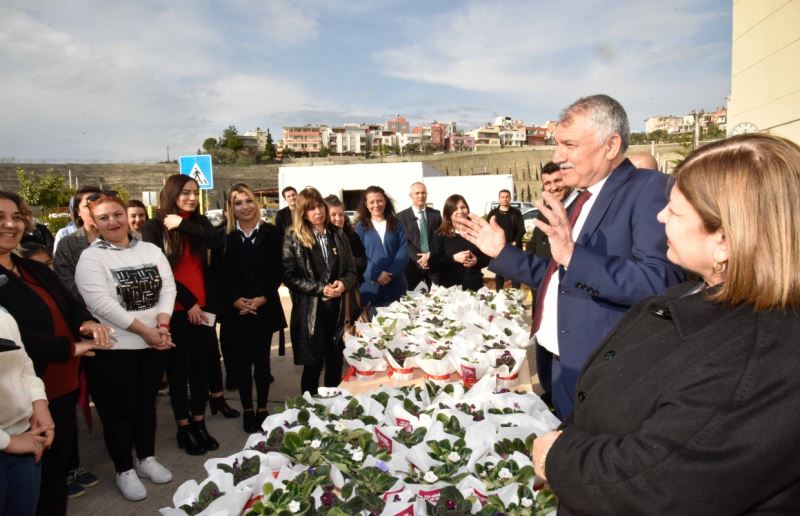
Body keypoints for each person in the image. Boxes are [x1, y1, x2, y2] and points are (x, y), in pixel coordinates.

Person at [532, 134, 800, 515]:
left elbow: (656, 482)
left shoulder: (759, 358)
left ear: (724, 240)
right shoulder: (694, 293)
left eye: (674, 212)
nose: (660, 217)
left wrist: (557, 457)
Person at [458, 94, 684, 418]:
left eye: (569, 145)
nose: (557, 156)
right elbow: (558, 276)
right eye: (557, 144)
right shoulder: (582, 198)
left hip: (604, 376)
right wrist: (501, 252)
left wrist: (574, 257)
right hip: (560, 365)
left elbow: (660, 281)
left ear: (610, 145)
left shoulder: (649, 188)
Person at [0, 191, 112, 516]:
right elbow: (18, 338)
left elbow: (68, 300)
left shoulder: (31, 267)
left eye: (17, 217)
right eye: (0, 217)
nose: (10, 224)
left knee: (54, 473)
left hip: (58, 388)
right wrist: (70, 347)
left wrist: (86, 323)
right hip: (19, 398)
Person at [74, 191, 176, 501]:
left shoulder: (150, 249)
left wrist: (161, 327)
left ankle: (146, 459)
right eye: (103, 217)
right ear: (93, 222)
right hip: (115, 351)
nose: (113, 221)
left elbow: (168, 288)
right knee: (119, 413)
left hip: (153, 344)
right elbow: (101, 304)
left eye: (117, 214)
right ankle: (124, 469)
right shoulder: (91, 257)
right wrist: (145, 331)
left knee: (147, 406)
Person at [141, 175, 223, 456]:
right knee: (179, 372)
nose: (190, 197)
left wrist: (184, 225)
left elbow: (217, 242)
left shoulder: (198, 224)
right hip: (174, 311)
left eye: (194, 192)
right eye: (185, 192)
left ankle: (199, 423)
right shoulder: (153, 227)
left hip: (203, 310)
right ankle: (184, 426)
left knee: (201, 369)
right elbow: (158, 272)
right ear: (172, 193)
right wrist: (188, 304)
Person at [214, 184, 286, 433]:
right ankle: (247, 409)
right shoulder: (223, 235)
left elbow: (279, 269)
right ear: (230, 208)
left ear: (255, 203)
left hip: (263, 308)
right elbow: (218, 274)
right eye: (237, 203)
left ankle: (263, 408)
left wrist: (262, 298)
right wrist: (235, 300)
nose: (244, 207)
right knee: (242, 363)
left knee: (262, 363)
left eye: (248, 201)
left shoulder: (272, 233)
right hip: (237, 310)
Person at [282, 187, 357, 395]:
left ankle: (332, 405)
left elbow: (352, 270)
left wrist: (344, 283)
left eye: (319, 206)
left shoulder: (338, 234)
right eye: (311, 209)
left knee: (335, 362)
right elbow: (289, 277)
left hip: (338, 310)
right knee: (313, 365)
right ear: (303, 213)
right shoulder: (293, 238)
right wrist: (320, 289)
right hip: (312, 311)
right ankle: (310, 406)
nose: (318, 212)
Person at [0, 303, 54, 516]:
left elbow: (22, 361)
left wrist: (38, 402)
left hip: (25, 436)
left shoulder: (3, 313)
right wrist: (8, 442)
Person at [354, 186, 408, 309]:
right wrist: (376, 274)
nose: (376, 205)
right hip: (371, 286)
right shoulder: (360, 226)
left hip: (396, 284)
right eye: (372, 202)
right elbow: (359, 255)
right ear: (366, 204)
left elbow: (403, 252)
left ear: (385, 201)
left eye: (380, 200)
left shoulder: (397, 224)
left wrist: (390, 274)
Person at [429, 195, 489, 291]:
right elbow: (433, 263)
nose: (460, 211)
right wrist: (453, 258)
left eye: (463, 207)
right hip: (449, 290)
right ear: (448, 213)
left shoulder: (476, 232)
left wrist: (476, 261)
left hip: (474, 287)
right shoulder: (440, 235)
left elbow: (487, 258)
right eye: (455, 209)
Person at [53, 186, 102, 303]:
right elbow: (66, 283)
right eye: (87, 206)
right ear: (78, 211)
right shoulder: (67, 244)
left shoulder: (120, 239)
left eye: (98, 203)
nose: (93, 209)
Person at [525, 162, 577, 258]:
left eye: (558, 180)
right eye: (548, 183)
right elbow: (533, 243)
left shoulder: (584, 205)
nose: (554, 187)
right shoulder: (545, 211)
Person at [397, 182, 442, 291]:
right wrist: (420, 259)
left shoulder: (436, 215)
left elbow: (440, 238)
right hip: (413, 267)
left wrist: (429, 255)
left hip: (433, 265)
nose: (421, 196)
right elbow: (403, 242)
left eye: (423, 193)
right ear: (411, 195)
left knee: (437, 299)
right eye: (417, 193)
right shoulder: (400, 217)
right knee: (414, 302)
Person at [487, 189, 524, 291]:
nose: (505, 199)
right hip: (499, 249)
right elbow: (489, 230)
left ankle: (516, 298)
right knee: (499, 274)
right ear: (499, 199)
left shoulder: (516, 213)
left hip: (514, 248)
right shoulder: (493, 213)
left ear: (510, 198)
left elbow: (522, 230)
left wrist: (514, 242)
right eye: (502, 197)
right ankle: (499, 296)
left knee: (515, 274)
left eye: (507, 197)